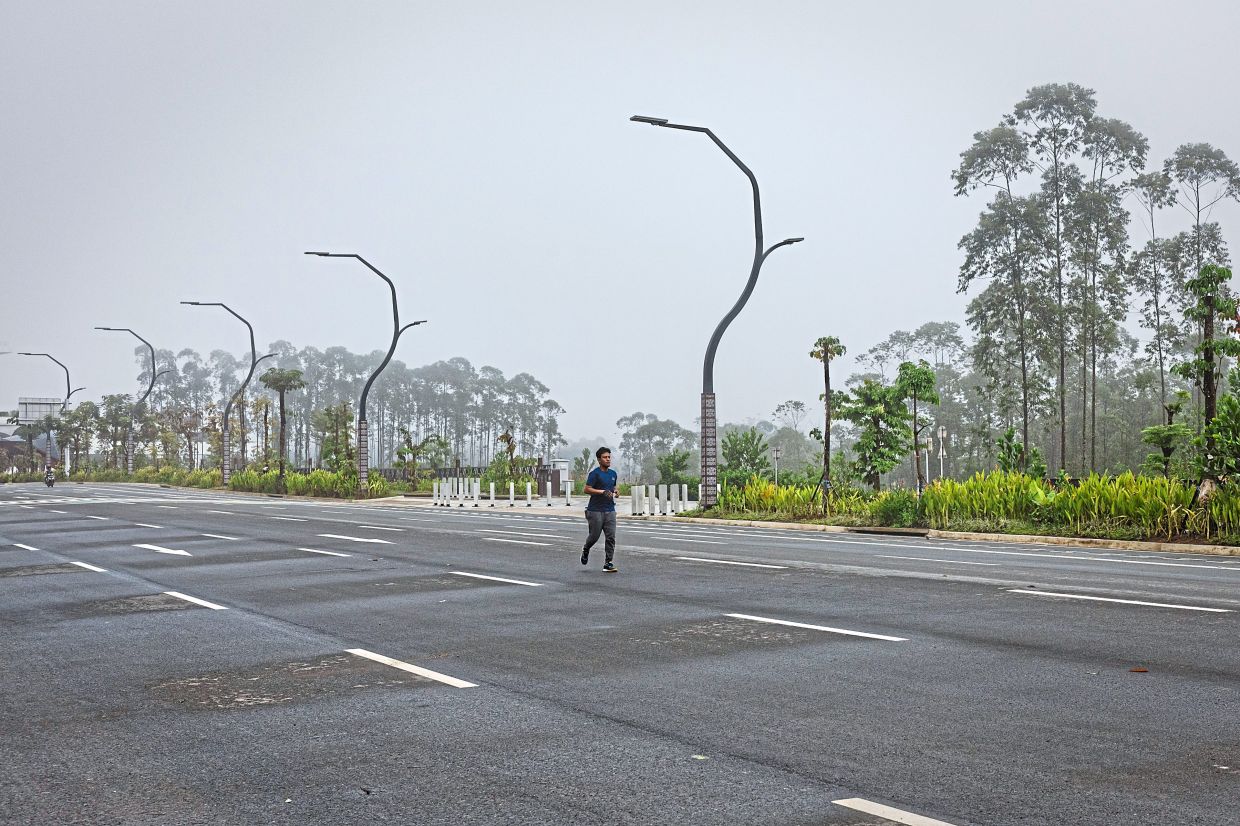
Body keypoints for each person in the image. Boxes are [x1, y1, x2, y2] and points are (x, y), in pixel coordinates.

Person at [581, 446, 619, 572]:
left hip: (610, 510)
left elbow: (613, 487)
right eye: (605, 457)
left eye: (609, 457)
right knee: (594, 537)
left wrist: (616, 491)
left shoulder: (613, 474)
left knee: (611, 537)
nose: (608, 459)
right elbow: (586, 489)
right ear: (599, 459)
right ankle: (586, 549)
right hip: (595, 510)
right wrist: (601, 491)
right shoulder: (595, 474)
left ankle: (608, 563)